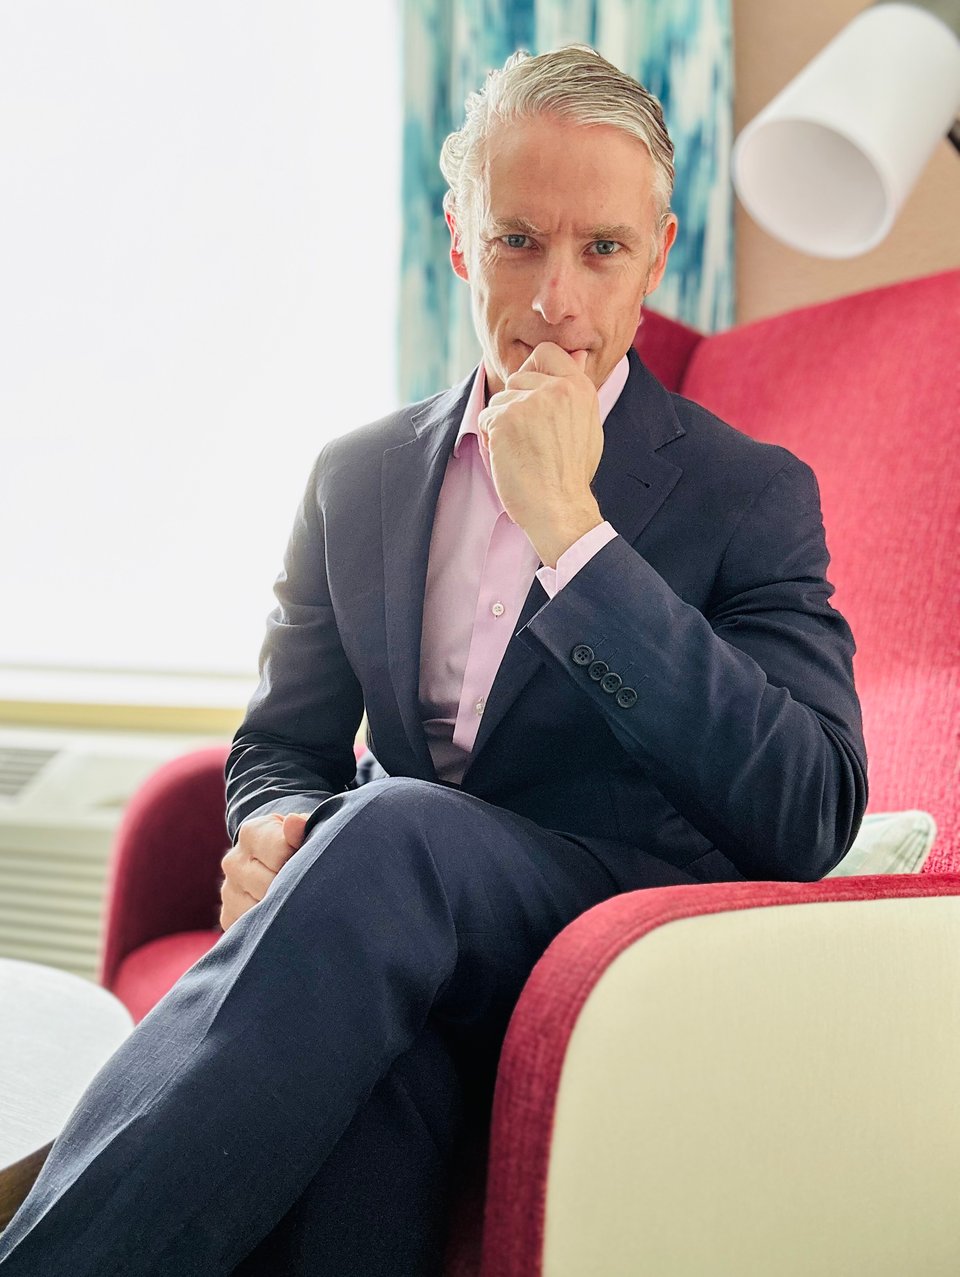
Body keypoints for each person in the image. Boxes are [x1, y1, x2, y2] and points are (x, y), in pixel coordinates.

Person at [0, 43, 867, 1277]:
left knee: (397, 825)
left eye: (602, 249)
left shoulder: (750, 494)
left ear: (657, 255)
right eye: (519, 240)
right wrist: (288, 828)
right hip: (386, 934)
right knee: (378, 1072)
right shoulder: (356, 477)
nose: (557, 297)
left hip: (608, 940)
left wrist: (576, 534)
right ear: (461, 240)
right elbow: (283, 744)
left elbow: (816, 808)